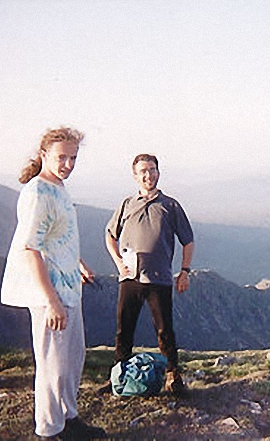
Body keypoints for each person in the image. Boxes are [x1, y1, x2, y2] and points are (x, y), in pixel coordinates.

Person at [1, 127, 105, 440]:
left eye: (73, 158)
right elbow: (30, 249)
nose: (68, 164)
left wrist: (79, 263)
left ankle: (69, 418)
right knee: (52, 364)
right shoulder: (37, 192)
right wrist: (52, 301)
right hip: (52, 292)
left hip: (69, 283)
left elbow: (56, 239)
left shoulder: (57, 186)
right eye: (62, 157)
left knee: (72, 358)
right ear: (44, 154)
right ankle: (49, 430)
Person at [105, 153, 194, 397]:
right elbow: (110, 235)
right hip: (130, 277)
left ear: (158, 172)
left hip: (159, 278)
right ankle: (118, 378)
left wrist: (184, 272)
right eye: (143, 171)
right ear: (135, 176)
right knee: (124, 329)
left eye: (152, 170)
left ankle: (173, 377)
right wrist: (118, 262)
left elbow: (188, 241)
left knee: (165, 330)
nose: (148, 175)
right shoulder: (126, 204)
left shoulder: (170, 205)